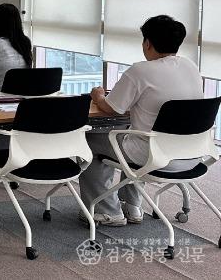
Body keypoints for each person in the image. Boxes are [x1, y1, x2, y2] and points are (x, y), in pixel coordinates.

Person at [79, 15, 203, 226]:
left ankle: (107, 211)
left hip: (153, 155)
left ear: (147, 43)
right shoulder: (190, 66)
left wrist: (98, 96)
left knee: (89, 140)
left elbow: (112, 108)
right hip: (192, 154)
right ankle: (133, 206)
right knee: (135, 133)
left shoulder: (140, 70)